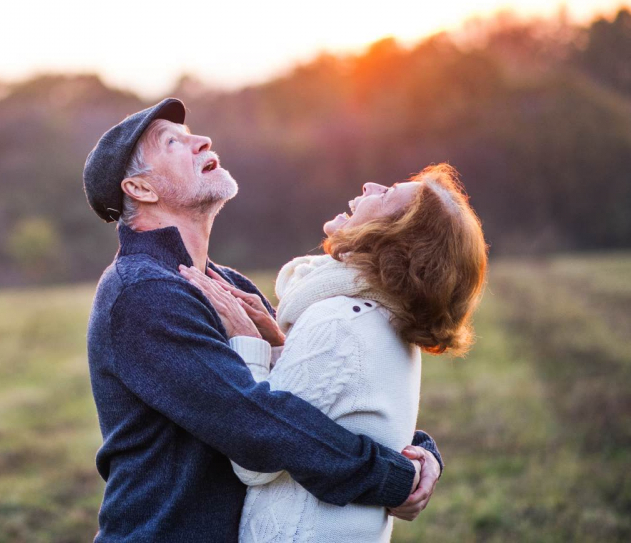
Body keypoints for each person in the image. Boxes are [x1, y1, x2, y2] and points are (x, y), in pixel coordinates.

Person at [83, 98, 442, 543]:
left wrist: (418, 453)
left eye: (192, 132)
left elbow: (316, 391)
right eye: (172, 142)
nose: (202, 141)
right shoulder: (142, 292)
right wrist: (392, 475)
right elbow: (257, 423)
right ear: (140, 189)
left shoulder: (227, 284)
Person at [180, 163, 487, 541]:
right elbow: (327, 413)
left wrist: (249, 344)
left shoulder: (339, 321)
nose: (369, 184)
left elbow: (254, 463)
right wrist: (281, 346)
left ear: (396, 236)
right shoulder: (383, 320)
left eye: (387, 192)